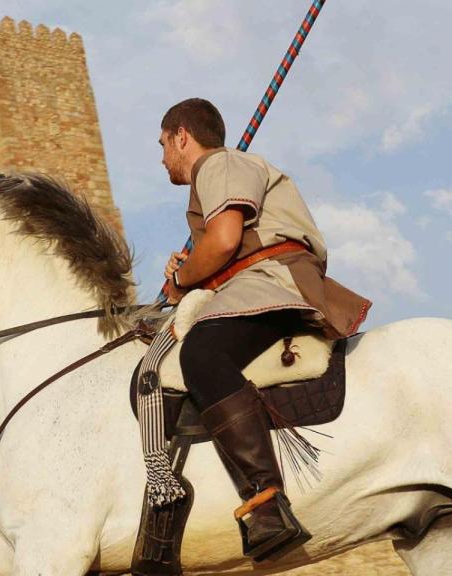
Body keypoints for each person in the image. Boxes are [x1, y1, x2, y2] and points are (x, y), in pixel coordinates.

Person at [158, 98, 371, 560]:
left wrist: (182, 278)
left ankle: (266, 501)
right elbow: (221, 250)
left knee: (201, 354)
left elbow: (225, 241)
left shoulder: (218, 164)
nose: (162, 159)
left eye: (163, 145)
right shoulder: (220, 173)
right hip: (254, 280)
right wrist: (191, 271)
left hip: (272, 279)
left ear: (182, 136)